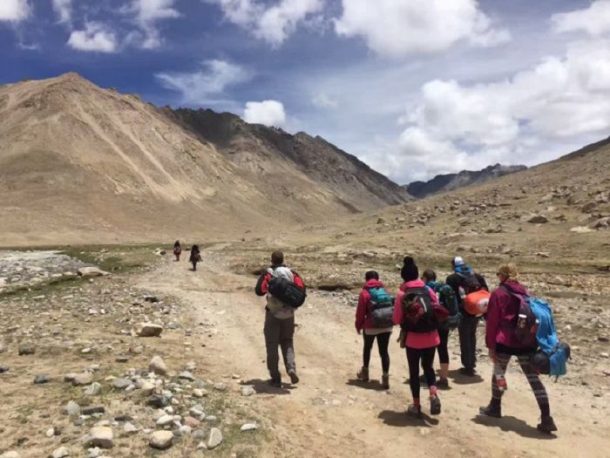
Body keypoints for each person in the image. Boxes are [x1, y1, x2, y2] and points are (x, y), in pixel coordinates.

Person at [480, 263, 557, 433]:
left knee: (499, 373)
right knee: (533, 379)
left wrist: (490, 345)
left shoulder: (498, 293)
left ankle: (495, 405)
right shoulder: (524, 292)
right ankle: (546, 416)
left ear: (503, 275)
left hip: (505, 341)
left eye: (498, 273)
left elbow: (492, 322)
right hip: (525, 341)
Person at [394, 257, 442, 417]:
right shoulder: (427, 290)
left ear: (403, 276)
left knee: (414, 372)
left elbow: (396, 319)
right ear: (417, 275)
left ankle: (416, 405)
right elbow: (436, 307)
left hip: (413, 339)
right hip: (431, 336)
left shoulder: (402, 293)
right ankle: (433, 394)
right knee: (428, 367)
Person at [255, 251, 304, 387]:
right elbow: (301, 291)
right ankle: (291, 368)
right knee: (287, 341)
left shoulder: (269, 273)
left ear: (272, 260)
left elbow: (259, 290)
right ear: (283, 259)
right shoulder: (292, 273)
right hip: (289, 314)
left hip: (273, 313)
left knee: (272, 344)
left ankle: (275, 377)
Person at [446, 256, 488, 376]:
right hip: (476, 311)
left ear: (454, 265)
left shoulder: (452, 278)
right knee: (471, 336)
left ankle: (468, 366)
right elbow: (485, 292)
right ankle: (472, 363)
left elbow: (449, 297)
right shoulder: (477, 276)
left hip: (462, 312)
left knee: (464, 338)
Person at [355, 271, 393, 389]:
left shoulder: (364, 292)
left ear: (366, 279)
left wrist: (358, 325)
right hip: (386, 325)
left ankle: (365, 374)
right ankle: (385, 377)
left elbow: (360, 312)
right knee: (384, 351)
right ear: (378, 279)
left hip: (371, 326)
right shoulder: (385, 290)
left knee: (367, 348)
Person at [422, 269, 459, 389]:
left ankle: (428, 375)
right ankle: (444, 378)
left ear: (425, 278)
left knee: (429, 349)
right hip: (445, 321)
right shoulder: (444, 287)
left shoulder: (426, 288)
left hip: (433, 322)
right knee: (443, 348)